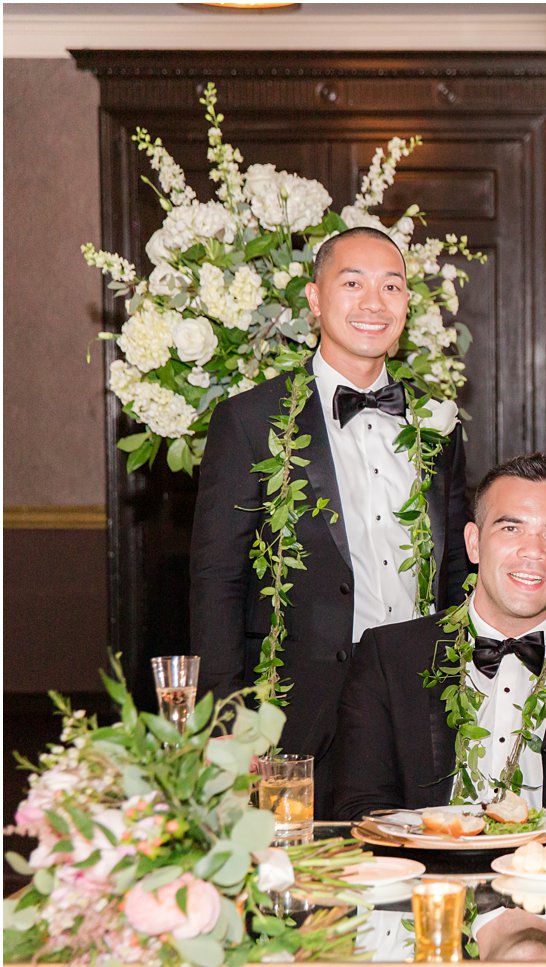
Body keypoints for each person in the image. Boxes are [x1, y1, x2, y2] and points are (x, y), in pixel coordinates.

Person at [190, 226, 471, 818]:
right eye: (353, 283)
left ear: (406, 306)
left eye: (391, 286)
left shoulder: (438, 424)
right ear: (316, 299)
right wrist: (225, 721)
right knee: (300, 887)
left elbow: (454, 570)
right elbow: (218, 579)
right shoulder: (250, 419)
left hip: (416, 703)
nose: (374, 303)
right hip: (296, 709)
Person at [331, 453, 546, 821]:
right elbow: (360, 813)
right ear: (474, 542)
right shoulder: (390, 659)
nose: (534, 551)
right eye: (511, 529)